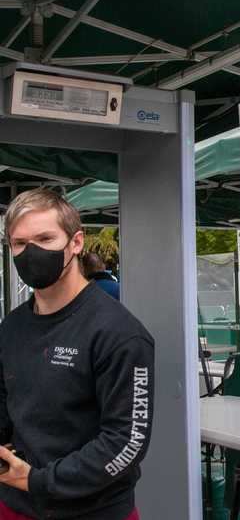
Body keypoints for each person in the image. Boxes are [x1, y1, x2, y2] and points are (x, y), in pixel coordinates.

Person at [0, 189, 154, 520]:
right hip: (15, 506)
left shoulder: (119, 332)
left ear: (76, 242)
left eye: (45, 238)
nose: (32, 252)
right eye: (20, 243)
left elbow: (126, 442)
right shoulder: (11, 327)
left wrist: (38, 480)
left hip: (95, 511)